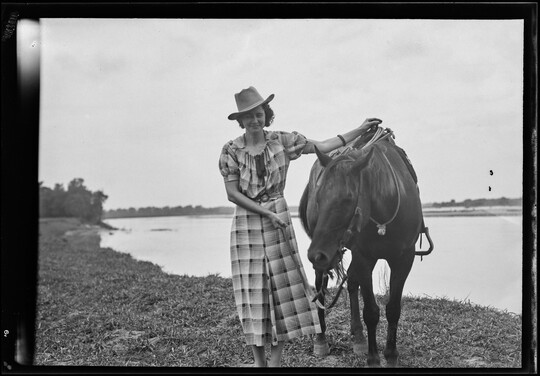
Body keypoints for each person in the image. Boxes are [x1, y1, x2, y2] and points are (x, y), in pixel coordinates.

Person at [218, 86, 381, 367]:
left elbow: (326, 145)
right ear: (240, 121)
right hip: (247, 223)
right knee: (253, 293)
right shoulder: (231, 150)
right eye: (248, 117)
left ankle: (277, 360)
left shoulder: (282, 141)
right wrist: (265, 213)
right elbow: (233, 194)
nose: (254, 120)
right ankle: (259, 362)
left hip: (278, 218)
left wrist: (359, 128)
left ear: (265, 115)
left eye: (259, 114)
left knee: (283, 290)